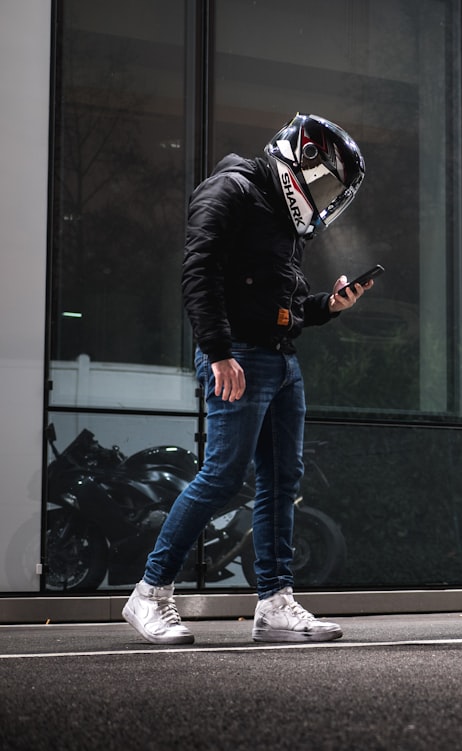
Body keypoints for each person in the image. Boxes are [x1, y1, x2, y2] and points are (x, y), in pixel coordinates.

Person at [123, 113, 369, 645]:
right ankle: (149, 595)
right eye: (324, 178)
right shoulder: (231, 189)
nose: (324, 195)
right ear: (296, 157)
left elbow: (281, 307)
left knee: (282, 482)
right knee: (221, 477)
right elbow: (199, 270)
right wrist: (217, 351)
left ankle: (275, 603)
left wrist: (327, 305)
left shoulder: (283, 217)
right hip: (235, 356)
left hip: (279, 360)